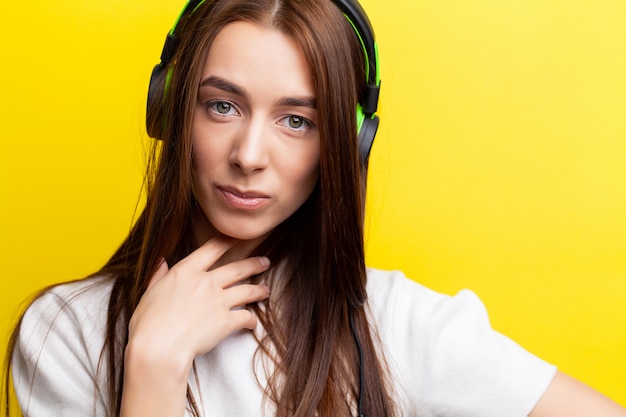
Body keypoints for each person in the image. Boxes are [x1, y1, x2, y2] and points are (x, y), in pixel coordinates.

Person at [4, 0, 626, 416]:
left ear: (346, 145)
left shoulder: (399, 326)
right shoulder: (66, 333)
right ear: (168, 108)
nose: (249, 154)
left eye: (297, 121)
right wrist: (152, 368)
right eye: (222, 106)